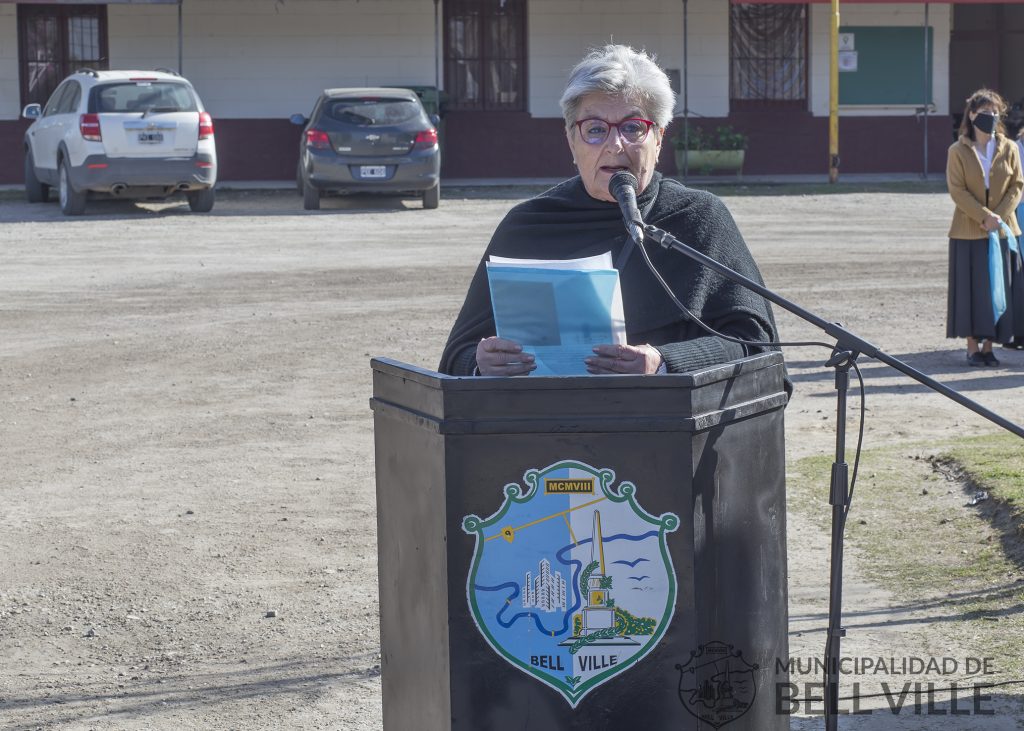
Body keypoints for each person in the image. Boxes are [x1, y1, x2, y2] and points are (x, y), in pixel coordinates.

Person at [438, 44, 780, 377]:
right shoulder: (528, 226)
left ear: (659, 138)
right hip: (546, 428)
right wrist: (481, 362)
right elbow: (457, 357)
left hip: (669, 427)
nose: (614, 145)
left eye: (633, 128)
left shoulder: (699, 218)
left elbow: (756, 346)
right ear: (572, 141)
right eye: (595, 130)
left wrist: (663, 362)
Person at [946, 88, 1023, 366]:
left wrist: (998, 217)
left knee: (997, 289)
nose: (989, 117)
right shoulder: (958, 150)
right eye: (984, 112)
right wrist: (983, 216)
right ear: (971, 114)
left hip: (1002, 230)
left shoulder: (1009, 147)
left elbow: (1017, 186)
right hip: (967, 231)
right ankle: (971, 348)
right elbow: (957, 190)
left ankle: (989, 346)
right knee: (970, 290)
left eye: (994, 112)